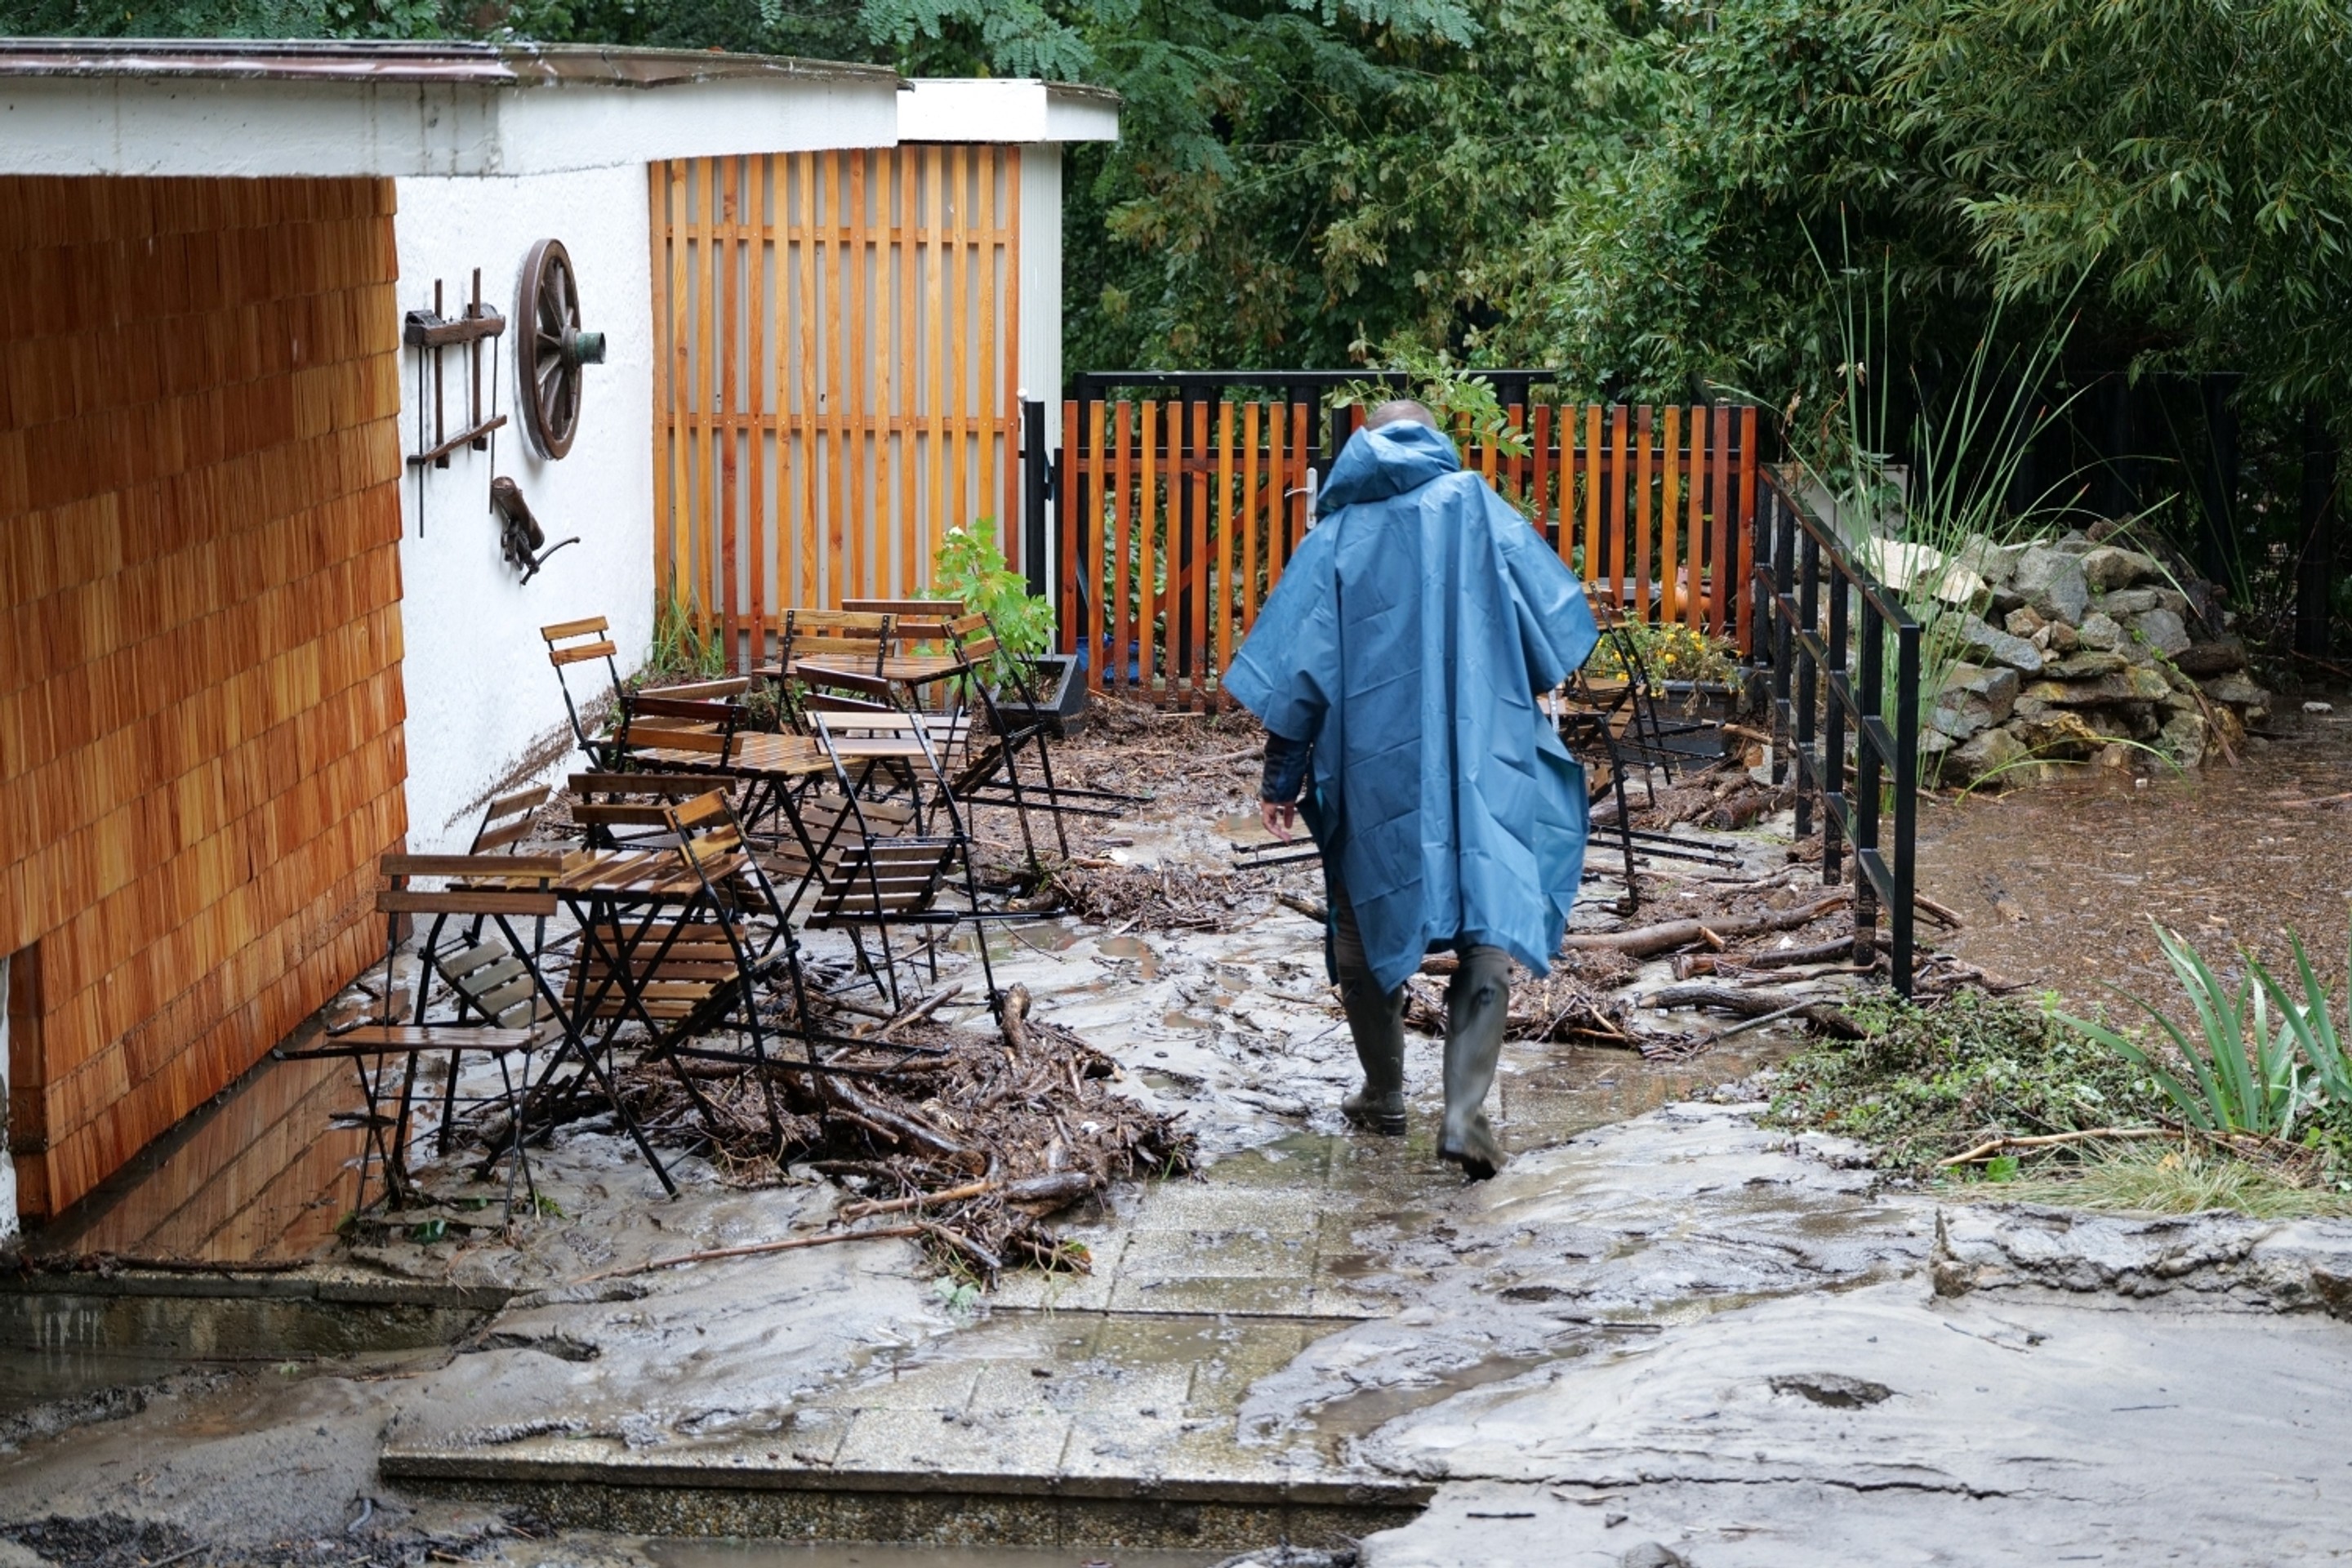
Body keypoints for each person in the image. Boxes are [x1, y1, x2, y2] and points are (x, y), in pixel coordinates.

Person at [1223, 399, 1598, 1179]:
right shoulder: (1478, 509)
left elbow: (1299, 673)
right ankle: (1463, 1116)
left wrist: (1280, 780)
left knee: (1363, 926)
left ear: (1366, 445)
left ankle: (1385, 1093)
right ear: (1433, 437)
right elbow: (1555, 635)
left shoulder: (1334, 537)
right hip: (1480, 752)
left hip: (1374, 764)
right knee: (1486, 921)